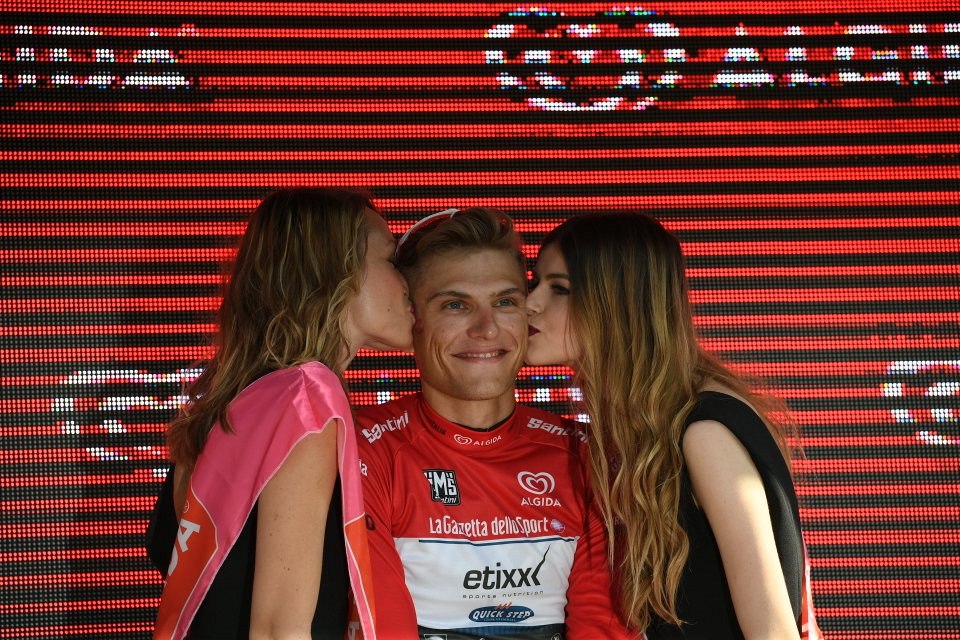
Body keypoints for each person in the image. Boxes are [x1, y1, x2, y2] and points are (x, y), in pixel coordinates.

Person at [525, 211, 822, 640]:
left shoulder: (703, 430)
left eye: (560, 289)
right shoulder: (648, 426)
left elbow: (773, 630)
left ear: (620, 301)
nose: (531, 303)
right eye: (536, 282)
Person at [146, 187, 414, 640]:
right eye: (390, 258)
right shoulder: (306, 397)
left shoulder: (228, 404)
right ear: (337, 273)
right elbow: (278, 630)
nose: (408, 281)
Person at [355, 208, 635, 639]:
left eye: (505, 302)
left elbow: (602, 626)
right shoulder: (365, 447)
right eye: (455, 305)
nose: (487, 329)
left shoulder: (584, 454)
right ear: (413, 317)